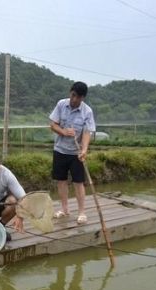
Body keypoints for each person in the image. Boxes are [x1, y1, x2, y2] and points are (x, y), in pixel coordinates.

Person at [49, 81, 96, 224]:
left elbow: (87, 132)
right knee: (61, 181)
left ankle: (82, 212)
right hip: (60, 150)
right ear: (70, 92)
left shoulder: (87, 111)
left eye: (79, 97)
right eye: (73, 95)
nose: (75, 99)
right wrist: (63, 131)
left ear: (83, 98)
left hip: (76, 153)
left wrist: (84, 150)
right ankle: (64, 209)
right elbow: (52, 124)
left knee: (78, 182)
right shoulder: (61, 104)